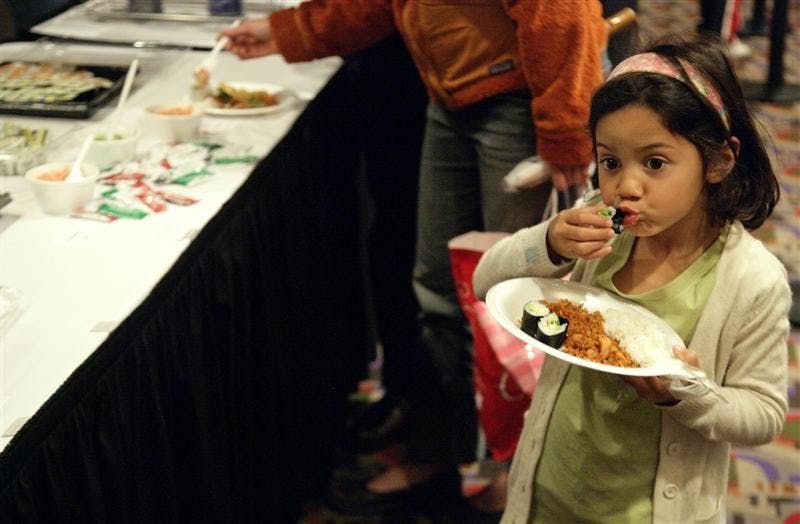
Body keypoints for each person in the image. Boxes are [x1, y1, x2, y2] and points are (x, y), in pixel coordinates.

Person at [220, 1, 608, 515]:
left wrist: (564, 131)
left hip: (519, 103)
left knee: (522, 302)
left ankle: (519, 472)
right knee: (441, 292)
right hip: (451, 102)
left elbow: (562, 14)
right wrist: (286, 31)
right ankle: (446, 452)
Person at [473, 34, 790, 523]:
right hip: (547, 491)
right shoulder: (595, 227)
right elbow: (484, 282)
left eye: (656, 163)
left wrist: (681, 392)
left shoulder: (751, 279)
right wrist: (550, 242)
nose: (626, 187)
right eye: (610, 162)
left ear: (720, 160)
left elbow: (763, 415)